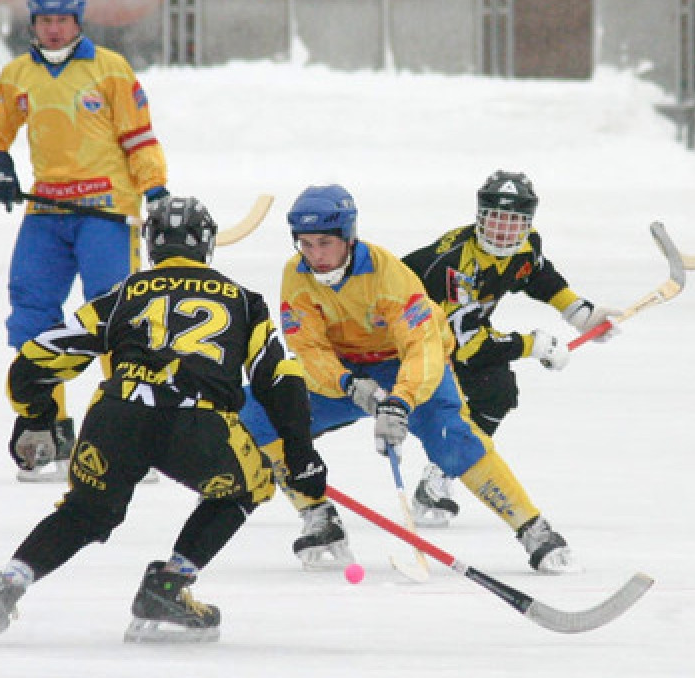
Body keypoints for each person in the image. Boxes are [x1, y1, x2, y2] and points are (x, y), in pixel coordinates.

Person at [0, 197, 327, 643]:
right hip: (196, 424)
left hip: (117, 416)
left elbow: (37, 358)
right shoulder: (243, 300)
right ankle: (169, 586)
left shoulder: (120, 296)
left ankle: (9, 582)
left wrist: (34, 416)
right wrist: (299, 449)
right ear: (207, 244)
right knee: (249, 485)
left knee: (86, 511)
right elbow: (279, 377)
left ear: (151, 245)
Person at [238, 184, 578, 574]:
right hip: (345, 373)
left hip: (405, 364)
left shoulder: (389, 275)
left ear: (348, 238)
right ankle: (318, 516)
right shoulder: (296, 275)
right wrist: (347, 384)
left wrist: (399, 402)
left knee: (453, 438)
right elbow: (308, 347)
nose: (317, 256)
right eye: (306, 244)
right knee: (259, 411)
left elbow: (423, 348)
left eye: (325, 243)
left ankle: (532, 527)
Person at [0, 0, 170, 481]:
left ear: (78, 22)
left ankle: (125, 437)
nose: (54, 30)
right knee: (32, 313)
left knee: (116, 319)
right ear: (33, 24)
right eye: (45, 21)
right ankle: (47, 428)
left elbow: (139, 138)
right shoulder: (18, 75)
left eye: (62, 20)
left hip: (105, 212)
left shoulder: (110, 69)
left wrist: (155, 190)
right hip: (46, 211)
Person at [401, 170, 619, 526]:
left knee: (497, 391)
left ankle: (440, 474)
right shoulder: (457, 266)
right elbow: (469, 347)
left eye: (514, 223)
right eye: (496, 221)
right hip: (401, 344)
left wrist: (581, 314)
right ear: (479, 218)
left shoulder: (527, 244)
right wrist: (534, 345)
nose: (504, 233)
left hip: (446, 340)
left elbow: (537, 275)